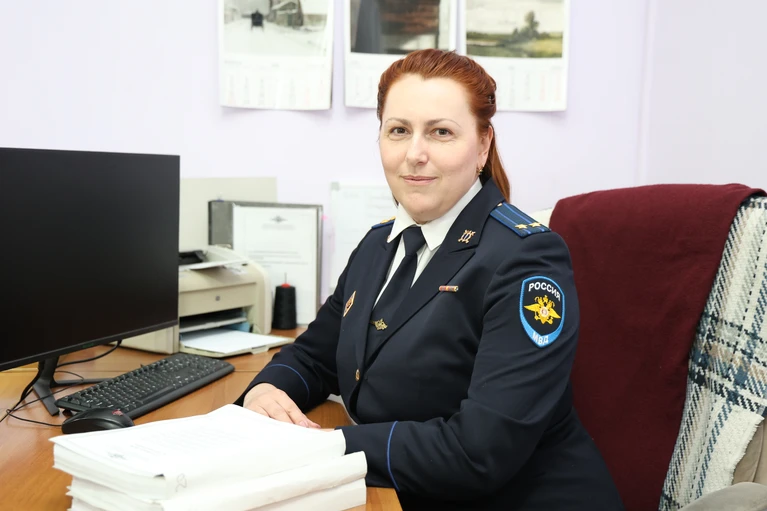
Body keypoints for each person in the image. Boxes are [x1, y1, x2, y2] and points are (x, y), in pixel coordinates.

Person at [235, 49, 624, 510]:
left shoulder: (526, 261)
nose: (414, 154)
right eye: (398, 130)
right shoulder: (377, 246)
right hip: (403, 491)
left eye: (441, 132)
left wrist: (326, 447)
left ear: (483, 145)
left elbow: (478, 452)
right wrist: (266, 391)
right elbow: (315, 356)